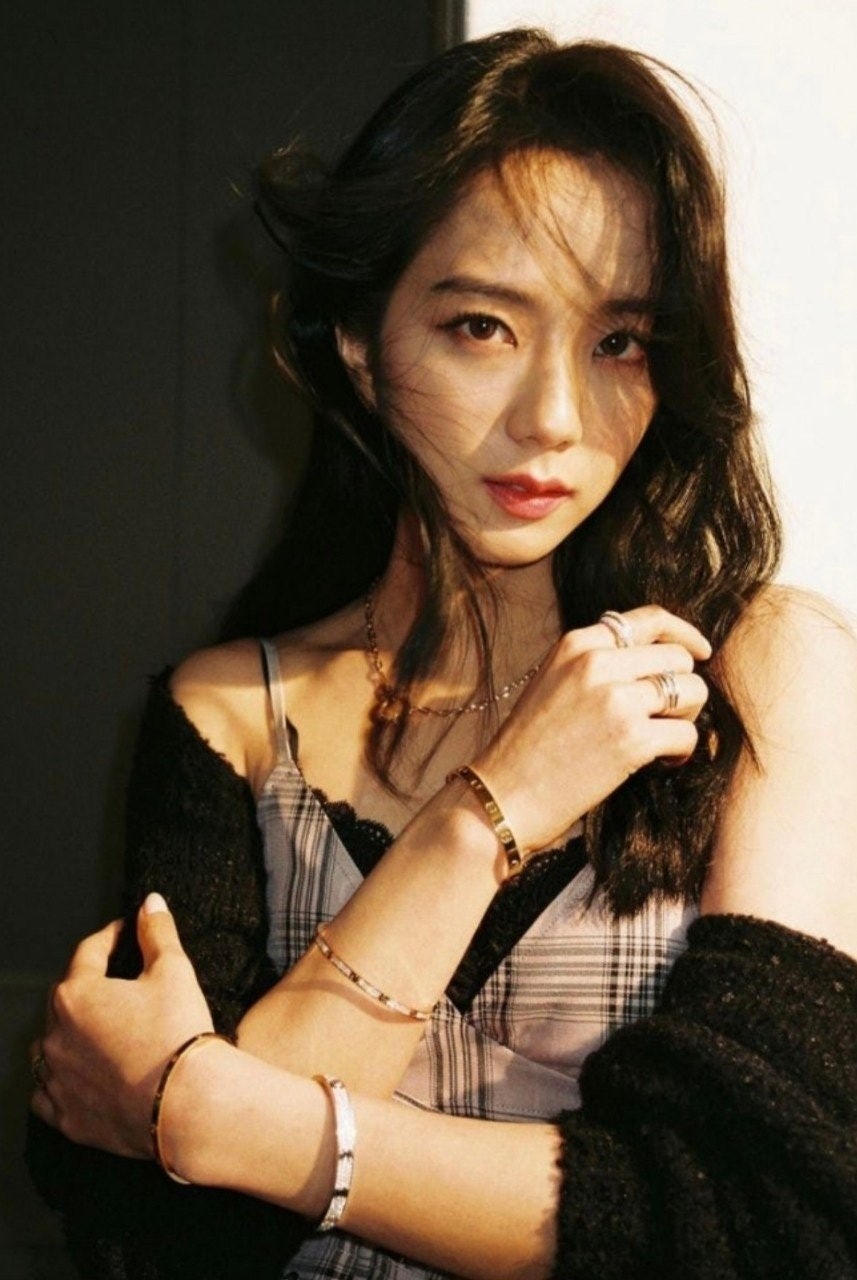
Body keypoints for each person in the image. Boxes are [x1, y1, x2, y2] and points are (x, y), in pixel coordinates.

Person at [26, 26, 857, 1280]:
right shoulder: (228, 713)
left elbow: (760, 1222)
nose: (554, 419)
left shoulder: (761, 675)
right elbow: (164, 1227)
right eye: (480, 326)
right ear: (359, 344)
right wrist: (487, 812)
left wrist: (224, 1113)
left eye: (619, 341)